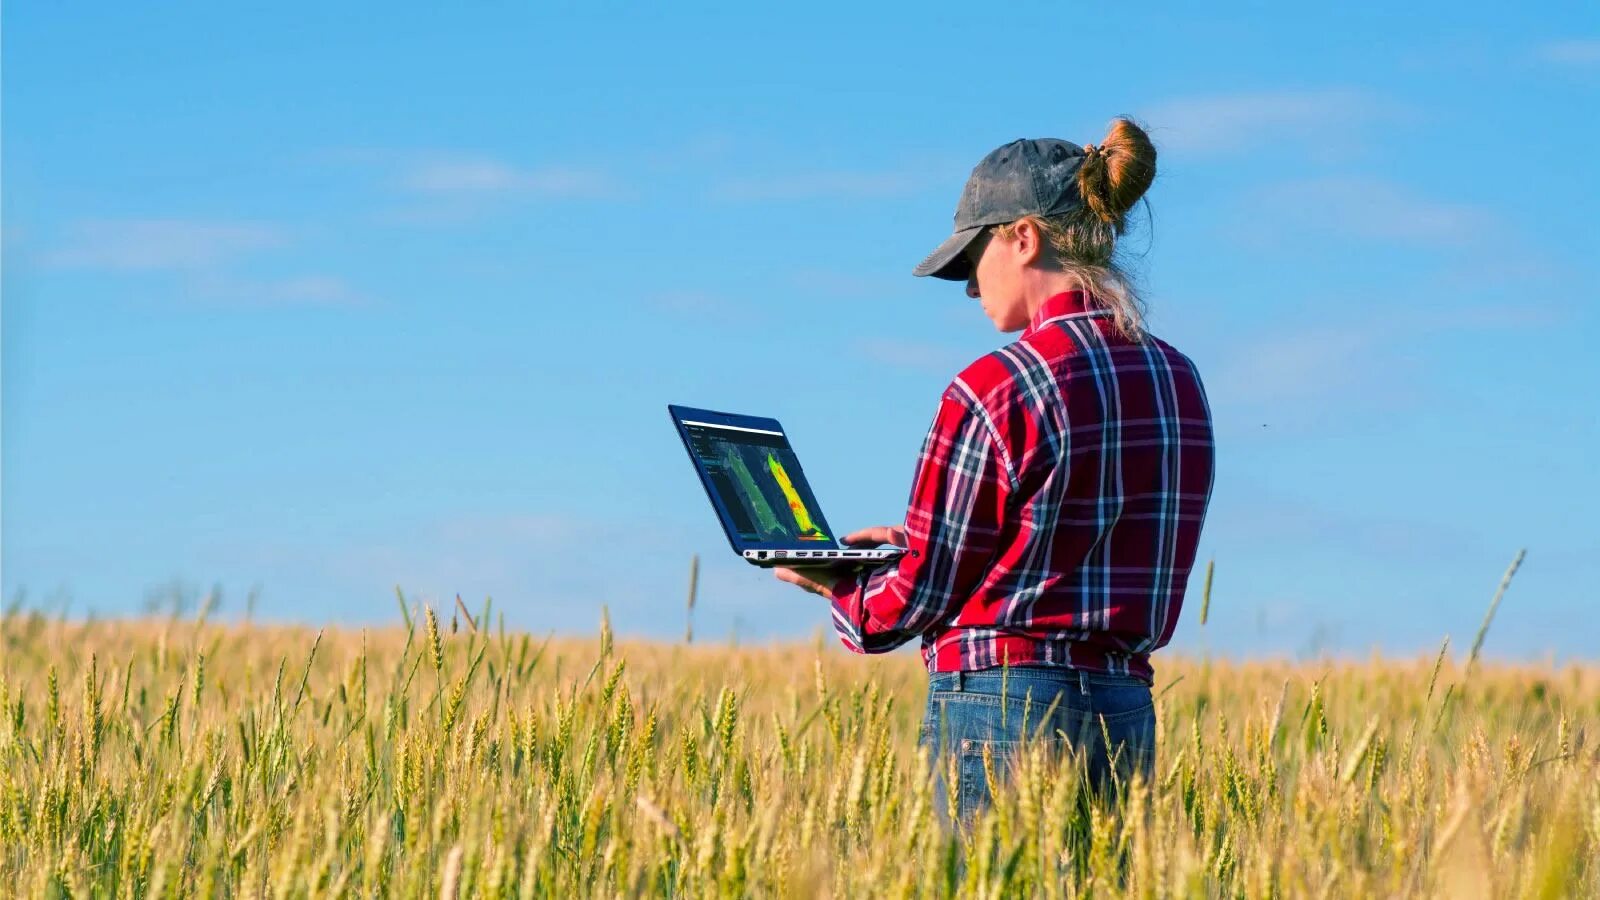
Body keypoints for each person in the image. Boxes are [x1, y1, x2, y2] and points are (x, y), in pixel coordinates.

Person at [773, 118, 1216, 830]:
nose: (971, 289)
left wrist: (844, 587)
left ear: (1023, 238)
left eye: (973, 258)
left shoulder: (994, 387)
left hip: (1001, 708)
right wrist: (923, 545)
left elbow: (920, 594)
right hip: (1124, 713)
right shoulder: (1178, 380)